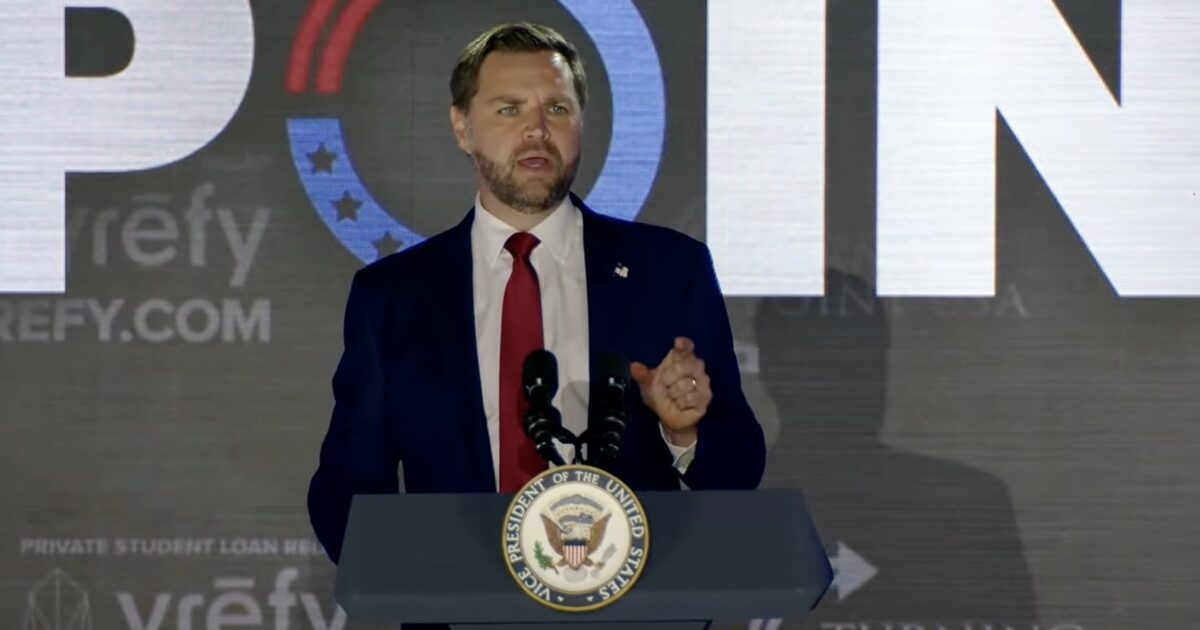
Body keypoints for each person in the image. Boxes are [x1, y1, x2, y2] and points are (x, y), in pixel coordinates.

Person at [308, 22, 765, 564]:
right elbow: (348, 492)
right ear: (462, 128)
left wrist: (681, 432)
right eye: (509, 110)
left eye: (557, 109)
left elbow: (738, 470)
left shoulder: (669, 271)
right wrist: (408, 574)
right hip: (458, 596)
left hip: (634, 595)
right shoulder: (392, 298)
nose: (537, 131)